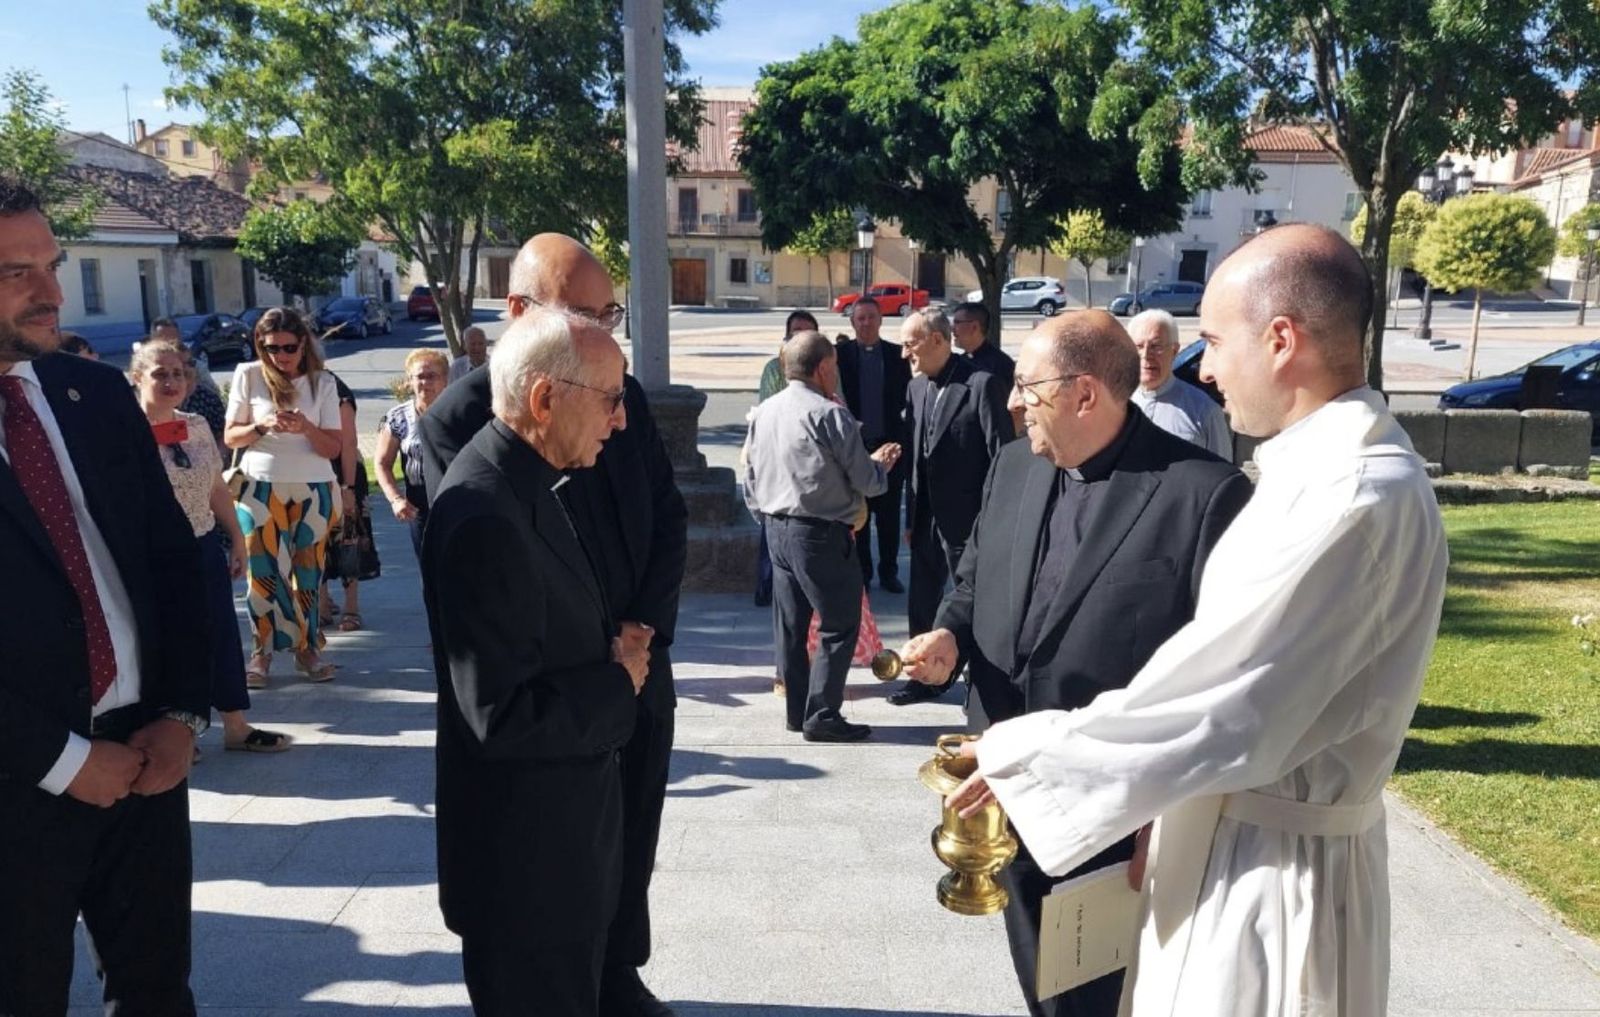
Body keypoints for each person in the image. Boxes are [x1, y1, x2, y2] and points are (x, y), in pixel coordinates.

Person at [943, 225, 1448, 1017]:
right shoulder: (1316, 474)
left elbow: (1218, 704)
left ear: (1281, 339)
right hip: (1227, 840)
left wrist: (1018, 750)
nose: (1202, 369)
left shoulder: (1352, 498)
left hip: (1273, 883)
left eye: (1212, 341)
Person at [898, 310, 1251, 1017]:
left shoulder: (1205, 493)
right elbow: (975, 576)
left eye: (1028, 386)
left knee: (1102, 996)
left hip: (1114, 804)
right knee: (1039, 976)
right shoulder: (1014, 463)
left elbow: (1218, 678)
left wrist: (1170, 815)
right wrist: (950, 634)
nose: (1012, 400)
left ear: (1085, 393)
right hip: (1003, 779)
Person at [420, 233, 687, 1017]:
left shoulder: (536, 464)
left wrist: (637, 643)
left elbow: (661, 519)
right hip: (528, 855)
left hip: (571, 809)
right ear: (543, 396)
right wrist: (614, 679)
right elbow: (499, 706)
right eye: (607, 402)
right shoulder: (485, 497)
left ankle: (617, 971)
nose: (620, 420)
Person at [0, 175, 210, 1014]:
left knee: (157, 989)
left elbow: (174, 563)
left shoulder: (90, 396)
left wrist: (184, 712)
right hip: (19, 780)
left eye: (53, 265)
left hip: (144, 758)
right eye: (17, 272)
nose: (52, 292)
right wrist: (64, 760)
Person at [130, 338, 290, 754]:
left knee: (219, 632)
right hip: (150, 553)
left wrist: (236, 539)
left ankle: (235, 725)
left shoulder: (196, 424)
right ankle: (176, 733)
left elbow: (217, 488)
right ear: (137, 378)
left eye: (179, 373)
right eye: (160, 374)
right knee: (168, 640)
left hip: (201, 543)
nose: (172, 381)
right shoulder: (121, 429)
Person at [743, 330, 901, 743]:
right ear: (824, 367)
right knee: (839, 622)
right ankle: (823, 714)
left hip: (776, 528)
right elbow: (867, 482)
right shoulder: (830, 414)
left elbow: (750, 477)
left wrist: (766, 516)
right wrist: (880, 465)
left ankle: (798, 712)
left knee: (791, 627)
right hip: (819, 532)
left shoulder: (765, 411)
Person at [885, 307, 1014, 709]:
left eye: (910, 344)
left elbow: (1003, 459)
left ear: (938, 340)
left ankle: (976, 678)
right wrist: (910, 516)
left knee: (972, 603)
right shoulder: (916, 388)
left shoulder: (981, 385)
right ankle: (922, 676)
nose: (904, 353)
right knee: (922, 600)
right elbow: (917, 460)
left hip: (970, 522)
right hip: (926, 518)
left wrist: (994, 522)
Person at [225, 306, 344, 687]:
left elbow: (333, 448)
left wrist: (305, 426)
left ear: (303, 344)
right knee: (262, 574)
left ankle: (307, 650)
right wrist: (261, 426)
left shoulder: (322, 382)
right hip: (259, 486)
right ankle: (261, 653)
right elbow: (230, 437)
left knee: (307, 575)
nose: (281, 356)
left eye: (289, 347)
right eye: (271, 348)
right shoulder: (248, 375)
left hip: (313, 487)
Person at [834, 297, 911, 592]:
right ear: (852, 323)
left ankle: (889, 572)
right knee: (860, 516)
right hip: (855, 450)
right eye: (860, 318)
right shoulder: (839, 356)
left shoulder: (897, 356)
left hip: (890, 447)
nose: (866, 323)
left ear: (880, 320)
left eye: (871, 317)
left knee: (889, 517)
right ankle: (863, 573)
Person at [754, 309, 820, 607]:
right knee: (773, 521)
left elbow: (835, 403)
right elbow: (768, 408)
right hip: (778, 458)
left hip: (813, 461)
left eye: (806, 330)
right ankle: (766, 584)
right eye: (795, 330)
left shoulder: (825, 367)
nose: (800, 335)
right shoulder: (774, 368)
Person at [1128, 308, 1231, 459]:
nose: (1146, 355)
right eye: (1139, 346)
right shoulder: (1116, 404)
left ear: (1174, 351)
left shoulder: (1204, 410)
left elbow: (1224, 468)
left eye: (1156, 346)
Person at [377, 348, 449, 562]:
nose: (425, 382)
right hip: (419, 503)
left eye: (432, 376)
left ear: (445, 379)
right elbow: (382, 463)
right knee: (428, 566)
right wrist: (396, 499)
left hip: (456, 498)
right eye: (419, 376)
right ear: (410, 380)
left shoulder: (459, 411)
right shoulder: (397, 418)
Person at [321, 366, 378, 630]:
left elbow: (349, 443)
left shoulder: (334, 388)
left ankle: (351, 607)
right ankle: (322, 604)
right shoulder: (294, 385)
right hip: (311, 472)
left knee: (349, 536)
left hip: (344, 471)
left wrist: (348, 487)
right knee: (314, 540)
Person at [951, 300, 1015, 386]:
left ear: (974, 327)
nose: (952, 328)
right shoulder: (958, 362)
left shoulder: (1000, 366)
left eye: (957, 322)